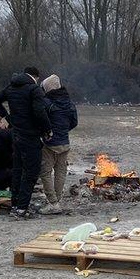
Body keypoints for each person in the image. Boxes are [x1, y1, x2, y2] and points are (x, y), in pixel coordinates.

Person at [0, 66, 50, 218]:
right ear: (36, 77)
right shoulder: (34, 89)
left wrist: (8, 117)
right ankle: (22, 208)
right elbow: (39, 111)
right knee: (31, 172)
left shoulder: (11, 87)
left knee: (18, 170)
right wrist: (47, 129)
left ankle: (15, 205)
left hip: (16, 134)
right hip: (30, 135)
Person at [37, 74, 78, 215]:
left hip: (50, 143)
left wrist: (45, 133)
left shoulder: (47, 103)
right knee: (61, 172)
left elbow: (41, 120)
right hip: (65, 142)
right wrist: (63, 131)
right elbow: (74, 122)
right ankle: (57, 200)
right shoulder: (69, 103)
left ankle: (53, 203)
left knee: (45, 172)